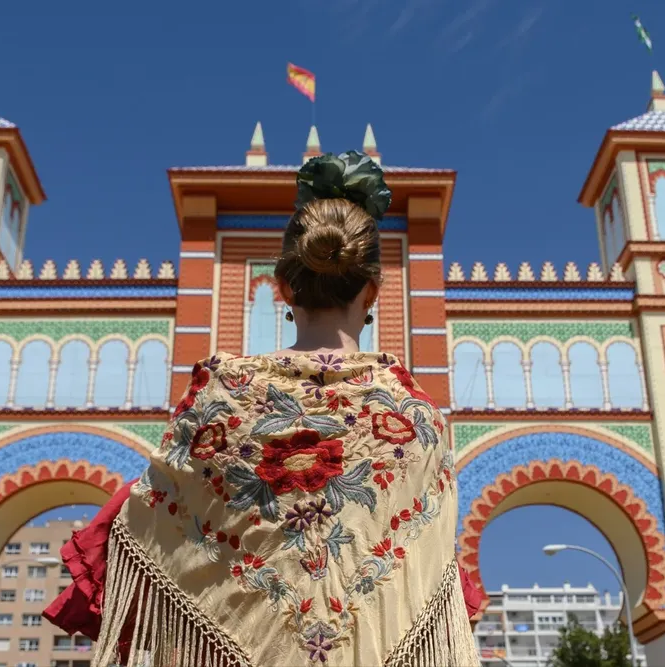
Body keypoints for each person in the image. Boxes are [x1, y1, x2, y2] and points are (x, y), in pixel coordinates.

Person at [44, 151, 481, 667]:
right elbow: (426, 571)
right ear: (372, 290)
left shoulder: (220, 394)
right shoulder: (415, 417)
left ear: (283, 288)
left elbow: (151, 515)